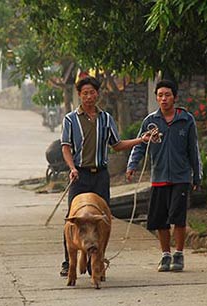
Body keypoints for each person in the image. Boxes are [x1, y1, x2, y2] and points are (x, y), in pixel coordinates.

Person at [59, 76, 152, 276]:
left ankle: (97, 260)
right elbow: (66, 147)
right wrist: (72, 168)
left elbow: (116, 145)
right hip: (80, 175)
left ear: (97, 94)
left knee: (102, 219)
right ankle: (69, 262)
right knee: (73, 219)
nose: (89, 97)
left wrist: (140, 140)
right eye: (85, 93)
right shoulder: (70, 119)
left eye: (92, 93)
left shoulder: (106, 119)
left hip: (100, 176)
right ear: (79, 95)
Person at [126, 79, 202, 272]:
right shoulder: (151, 122)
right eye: (160, 95)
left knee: (178, 217)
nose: (164, 99)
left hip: (181, 176)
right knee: (160, 219)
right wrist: (132, 165)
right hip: (159, 176)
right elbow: (140, 145)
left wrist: (197, 175)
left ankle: (179, 254)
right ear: (156, 98)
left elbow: (194, 149)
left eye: (167, 95)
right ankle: (165, 255)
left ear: (175, 97)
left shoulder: (186, 119)